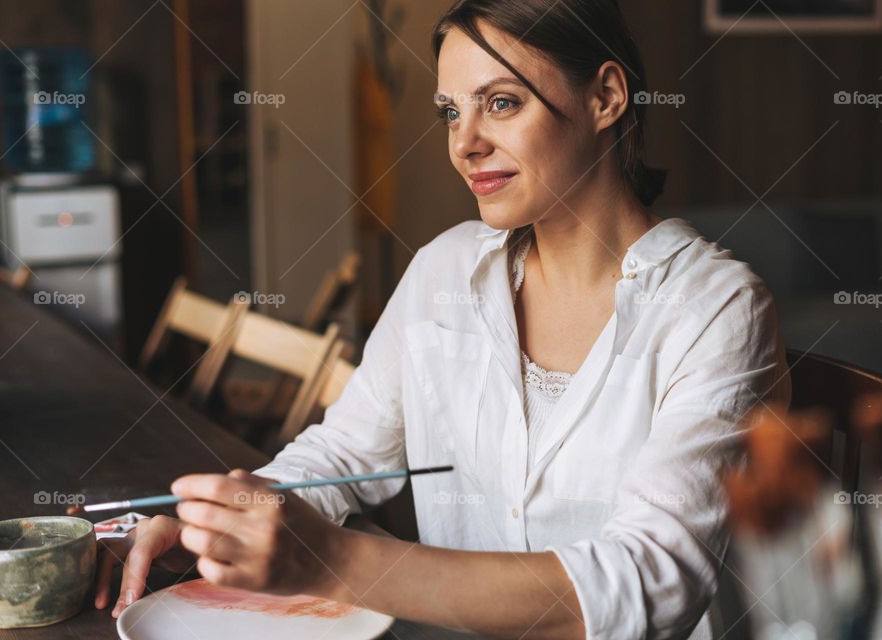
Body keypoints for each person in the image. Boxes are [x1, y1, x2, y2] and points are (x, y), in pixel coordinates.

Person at [96, 1, 791, 637]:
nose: (465, 143)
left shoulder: (716, 310)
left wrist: (335, 560)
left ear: (606, 96)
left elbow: (651, 581)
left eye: (502, 102)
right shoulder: (444, 272)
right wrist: (214, 527)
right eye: (451, 112)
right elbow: (341, 459)